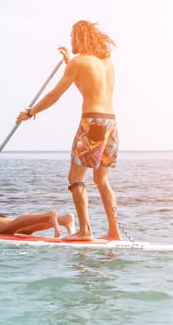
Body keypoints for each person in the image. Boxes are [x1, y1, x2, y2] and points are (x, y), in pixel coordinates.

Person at [16, 20, 121, 241]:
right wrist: (68, 62)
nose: (71, 40)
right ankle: (114, 232)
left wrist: (31, 112)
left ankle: (85, 231)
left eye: (73, 36)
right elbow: (88, 86)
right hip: (111, 123)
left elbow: (55, 95)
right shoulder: (106, 62)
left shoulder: (79, 62)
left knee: (75, 178)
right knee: (102, 180)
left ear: (81, 37)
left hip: (92, 124)